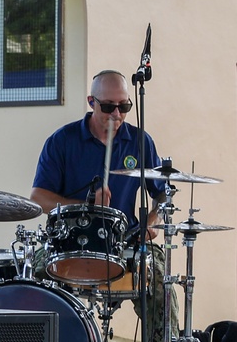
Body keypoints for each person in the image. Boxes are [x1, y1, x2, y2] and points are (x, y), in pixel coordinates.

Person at [30, 69, 178, 342]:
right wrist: (85, 206)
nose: (116, 115)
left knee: (160, 285)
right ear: (91, 102)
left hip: (126, 242)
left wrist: (153, 220)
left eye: (124, 106)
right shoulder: (62, 141)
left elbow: (163, 193)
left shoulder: (139, 142)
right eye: (108, 106)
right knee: (34, 280)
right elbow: (38, 197)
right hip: (69, 243)